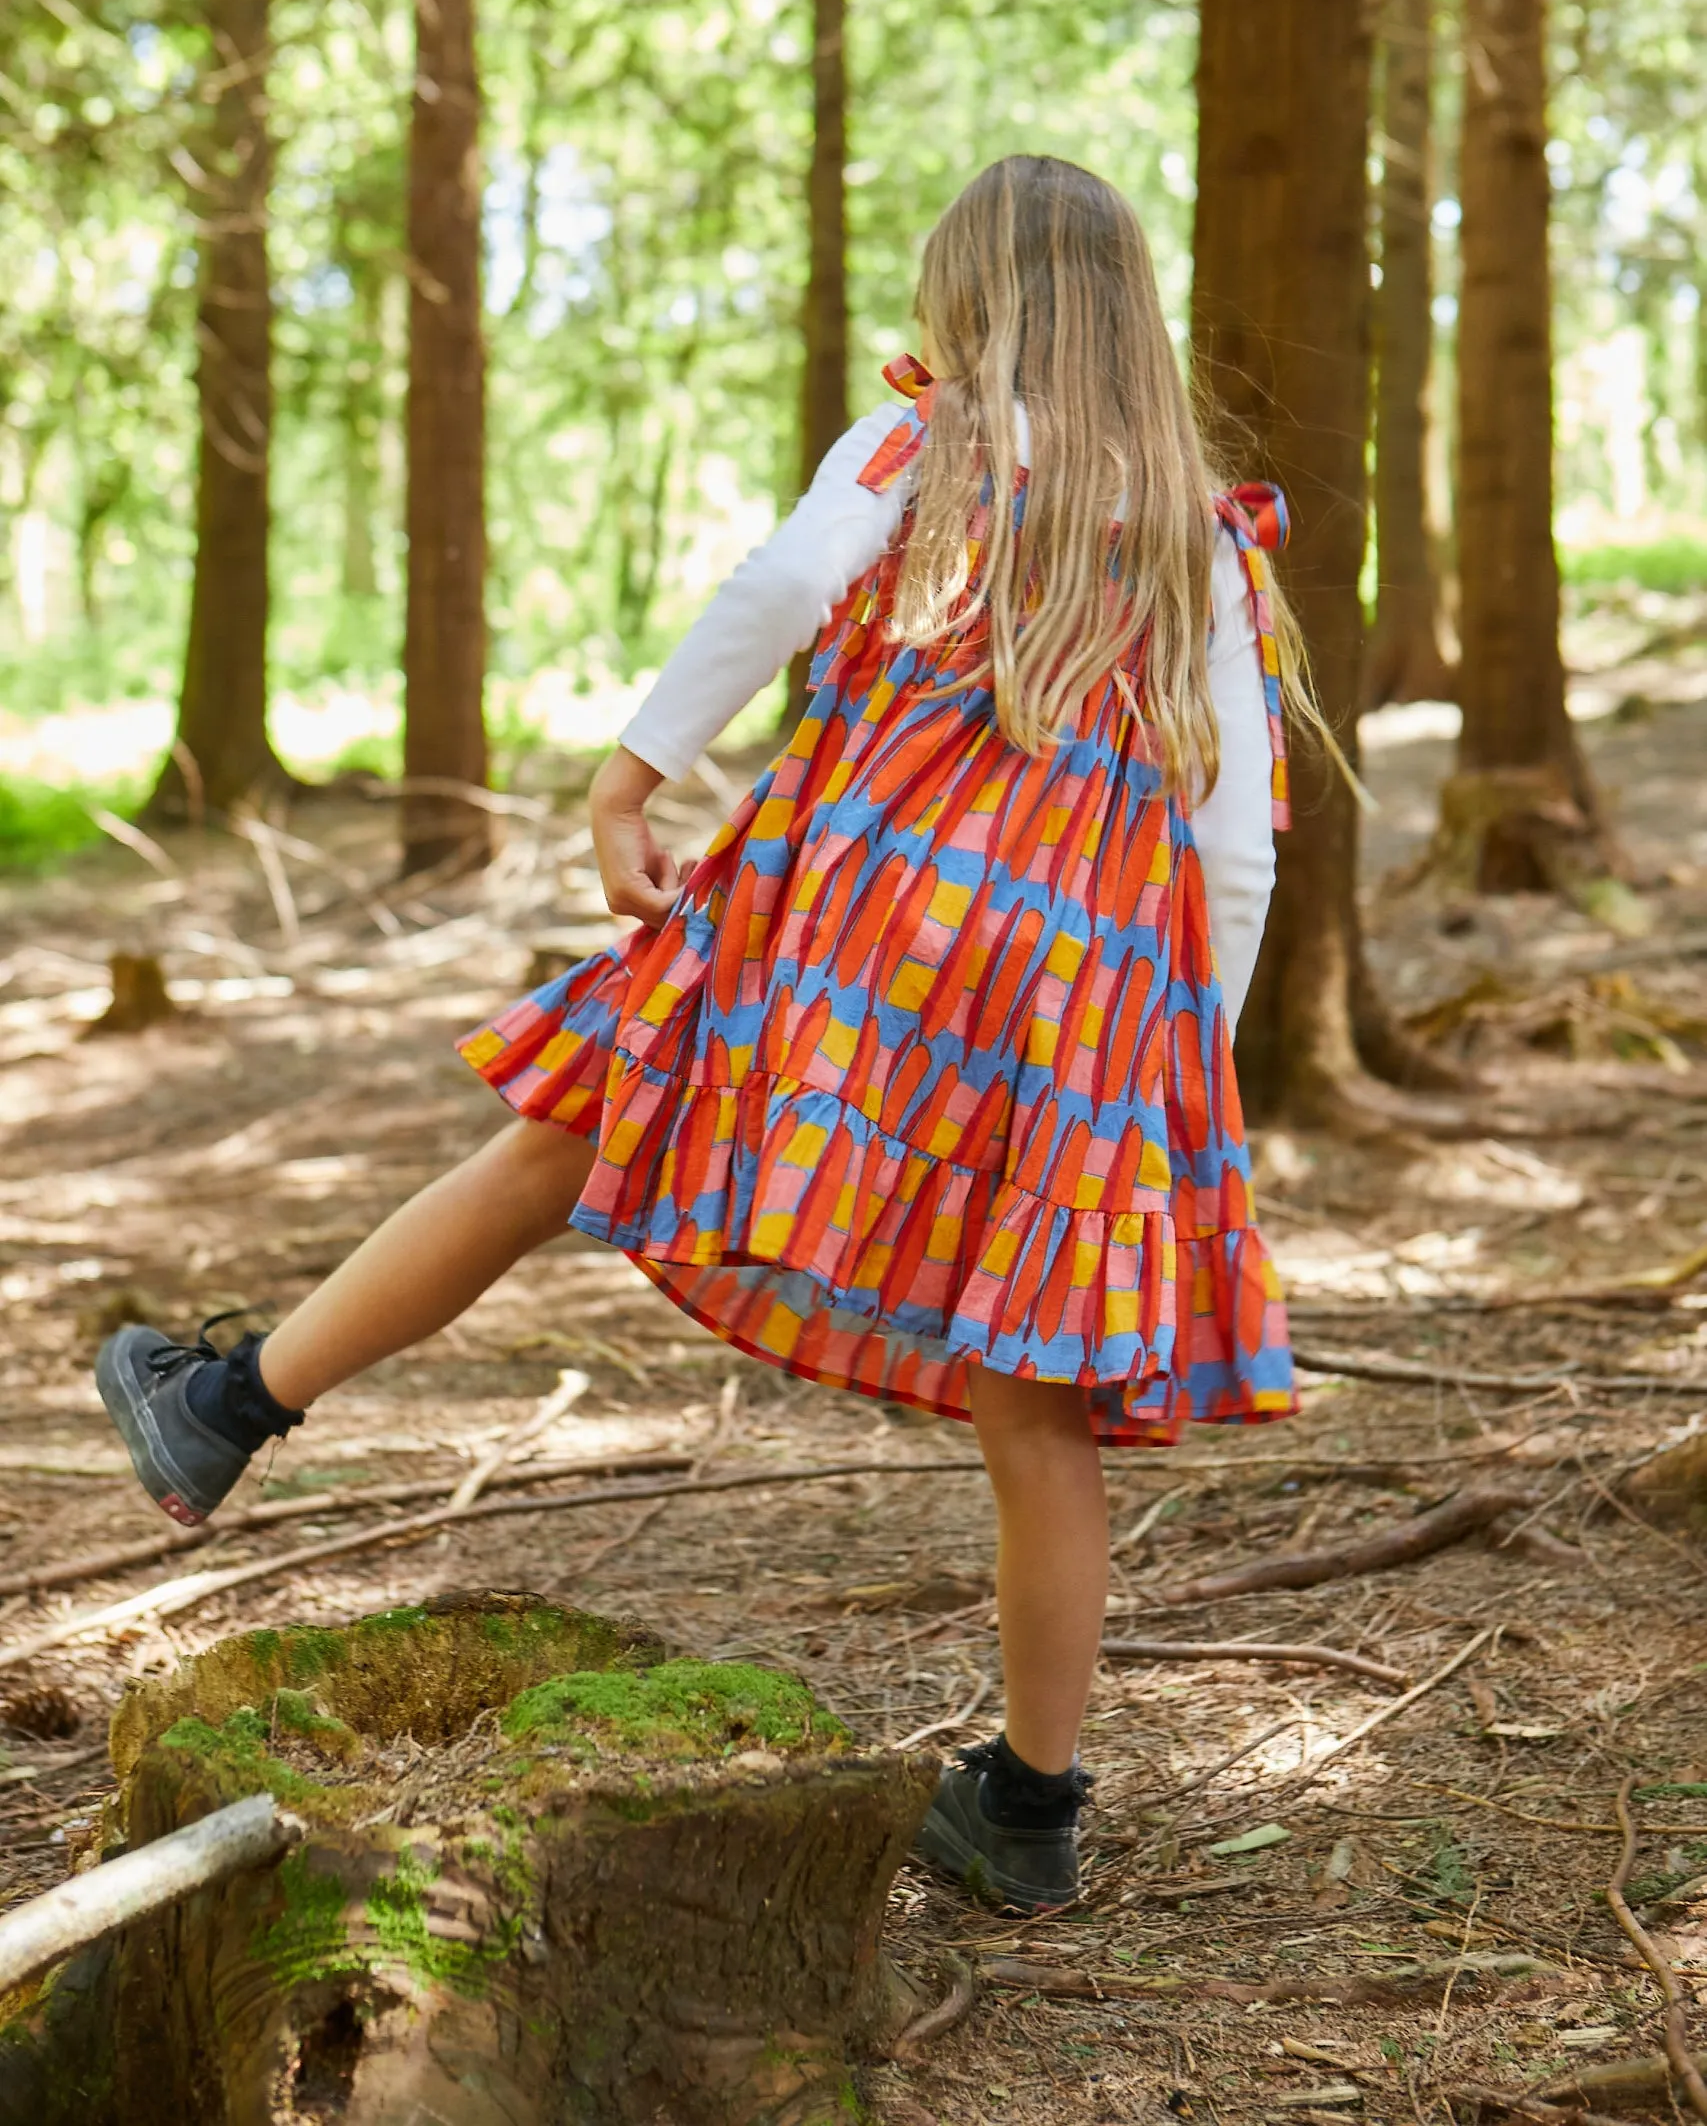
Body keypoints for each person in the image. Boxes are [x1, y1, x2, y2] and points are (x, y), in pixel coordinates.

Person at [98, 153, 1305, 1912]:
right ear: (1131, 308)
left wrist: (630, 772)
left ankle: (225, 1405)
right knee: (1036, 1407)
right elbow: (1235, 837)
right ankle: (1031, 1810)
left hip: (854, 915)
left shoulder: (929, 442)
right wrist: (1184, 1060)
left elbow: (775, 589)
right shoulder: (1204, 528)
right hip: (1072, 1000)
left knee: (569, 1129)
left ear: (964, 296)